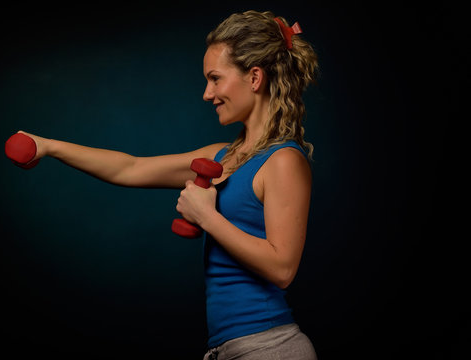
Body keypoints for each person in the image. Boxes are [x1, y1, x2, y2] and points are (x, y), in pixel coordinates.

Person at [18, 10, 318, 360]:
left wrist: (207, 217)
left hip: (270, 347)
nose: (207, 94)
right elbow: (129, 168)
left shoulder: (283, 160)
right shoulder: (222, 156)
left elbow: (282, 269)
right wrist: (48, 146)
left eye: (215, 79)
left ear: (254, 77)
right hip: (227, 348)